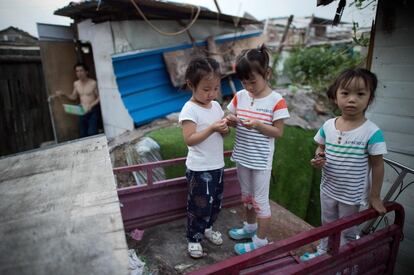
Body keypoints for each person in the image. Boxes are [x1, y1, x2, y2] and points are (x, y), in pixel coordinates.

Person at [300, 68, 387, 261]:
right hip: (328, 188)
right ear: (335, 96)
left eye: (360, 94)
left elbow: (378, 166)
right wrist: (319, 157)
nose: (352, 99)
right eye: (345, 93)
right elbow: (320, 147)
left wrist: (375, 196)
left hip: (351, 195)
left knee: (347, 230)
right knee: (327, 223)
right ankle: (323, 253)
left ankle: (341, 261)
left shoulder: (372, 132)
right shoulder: (328, 125)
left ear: (369, 99)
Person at [226, 45, 290, 255]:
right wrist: (231, 121)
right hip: (243, 156)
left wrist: (259, 125)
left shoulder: (276, 101)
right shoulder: (240, 96)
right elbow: (229, 117)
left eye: (252, 81)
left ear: (267, 74)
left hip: (261, 161)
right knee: (246, 197)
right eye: (244, 82)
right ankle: (251, 227)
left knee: (260, 201)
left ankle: (261, 241)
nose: (248, 86)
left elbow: (278, 132)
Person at [178, 57, 229, 258]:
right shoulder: (189, 109)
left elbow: (221, 133)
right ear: (191, 85)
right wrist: (212, 128)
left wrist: (225, 127)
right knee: (199, 206)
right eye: (206, 89)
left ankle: (207, 229)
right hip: (199, 169)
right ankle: (193, 238)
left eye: (216, 88)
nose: (212, 94)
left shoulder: (215, 106)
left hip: (217, 165)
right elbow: (190, 139)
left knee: (215, 203)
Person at [56, 62, 100, 138]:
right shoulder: (76, 83)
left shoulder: (93, 83)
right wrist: (64, 94)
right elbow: (74, 97)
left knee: (92, 132)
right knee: (83, 134)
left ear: (86, 72)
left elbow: (100, 97)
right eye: (77, 71)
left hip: (92, 110)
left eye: (81, 70)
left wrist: (91, 105)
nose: (79, 73)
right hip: (82, 110)